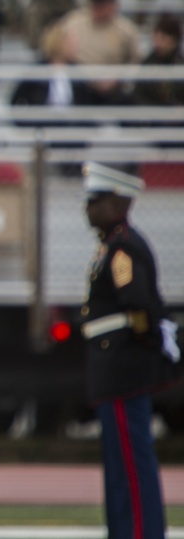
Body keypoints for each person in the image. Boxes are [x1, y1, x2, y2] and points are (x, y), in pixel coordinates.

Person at [79, 162, 181, 539]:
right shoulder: (112, 243)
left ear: (119, 203)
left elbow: (137, 303)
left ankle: (140, 532)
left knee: (131, 461)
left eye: (96, 201)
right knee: (119, 461)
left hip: (123, 365)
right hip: (113, 366)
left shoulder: (123, 246)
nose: (88, 209)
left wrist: (143, 342)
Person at [54, 0, 139, 106]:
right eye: (95, 4)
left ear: (113, 5)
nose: (97, 9)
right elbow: (55, 46)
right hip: (79, 85)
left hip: (112, 88)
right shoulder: (73, 22)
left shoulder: (126, 30)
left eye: (102, 5)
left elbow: (135, 61)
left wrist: (119, 78)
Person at [133, 15, 184, 109]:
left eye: (163, 38)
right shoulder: (147, 63)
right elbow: (138, 94)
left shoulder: (180, 65)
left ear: (174, 40)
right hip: (151, 116)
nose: (158, 43)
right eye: (156, 38)